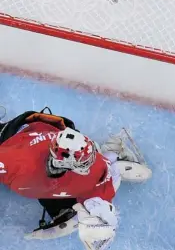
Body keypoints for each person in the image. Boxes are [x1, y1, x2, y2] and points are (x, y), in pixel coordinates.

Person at [0, 107, 152, 249]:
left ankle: (64, 205)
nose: (91, 162)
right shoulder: (15, 162)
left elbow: (102, 177)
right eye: (85, 161)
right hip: (14, 136)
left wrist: (99, 207)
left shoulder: (91, 165)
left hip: (43, 136)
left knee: (61, 182)